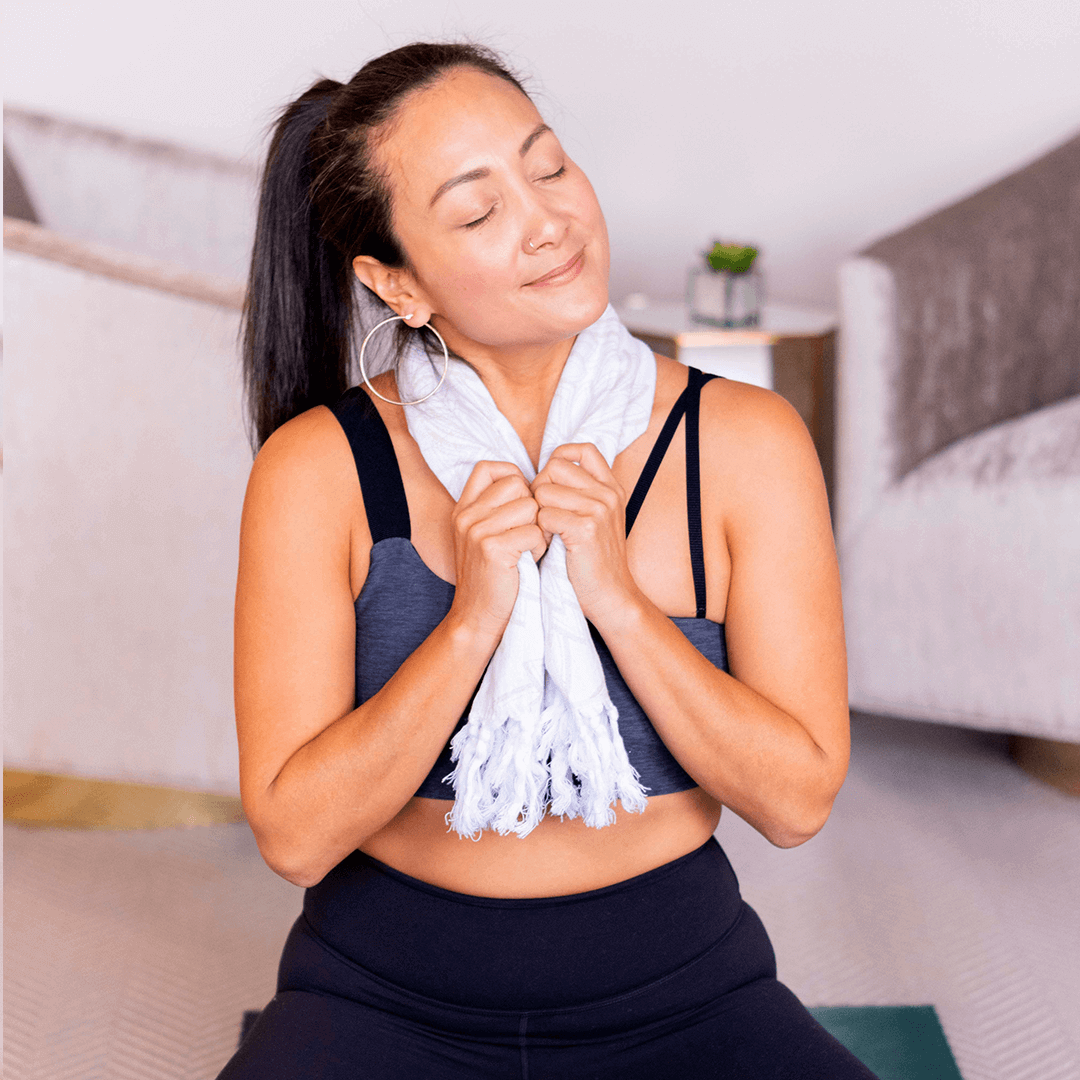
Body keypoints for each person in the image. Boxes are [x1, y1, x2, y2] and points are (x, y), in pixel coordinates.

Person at [218, 41, 877, 1079]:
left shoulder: (745, 444)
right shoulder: (320, 469)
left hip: (686, 990)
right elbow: (296, 836)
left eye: (551, 166)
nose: (548, 221)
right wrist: (472, 620)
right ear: (396, 282)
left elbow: (797, 802)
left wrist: (614, 598)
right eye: (479, 213)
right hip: (381, 995)